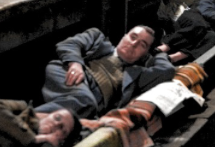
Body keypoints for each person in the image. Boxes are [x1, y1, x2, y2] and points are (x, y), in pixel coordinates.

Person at [40, 26, 174, 120]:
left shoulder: (137, 74)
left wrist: (158, 53)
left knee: (72, 119)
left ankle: (26, 120)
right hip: (70, 74)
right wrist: (75, 63)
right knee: (85, 101)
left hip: (91, 105)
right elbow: (69, 44)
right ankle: (28, 120)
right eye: (133, 37)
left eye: (142, 45)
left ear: (144, 54)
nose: (134, 44)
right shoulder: (97, 38)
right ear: (124, 36)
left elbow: (166, 70)